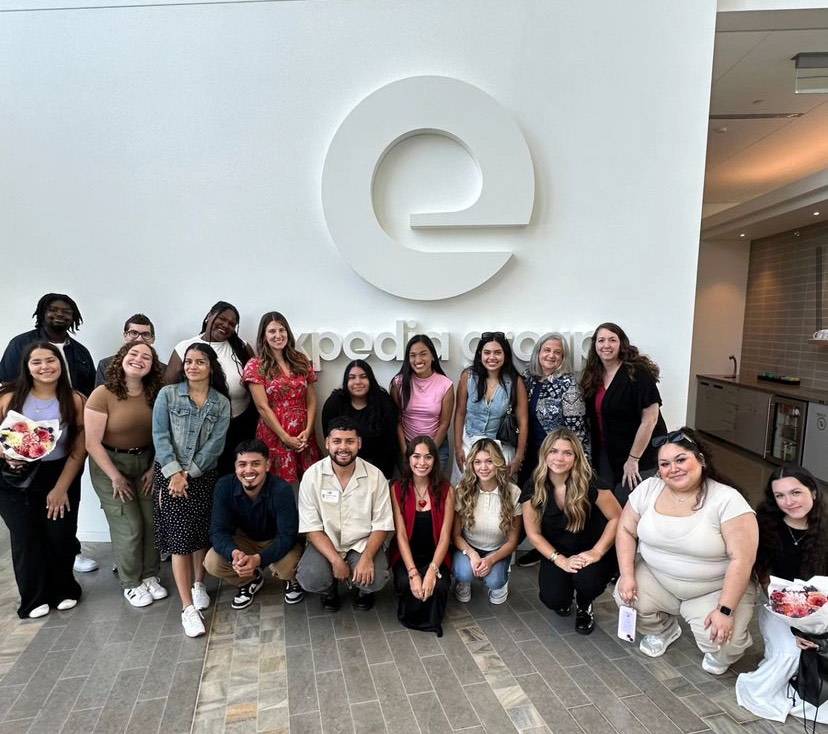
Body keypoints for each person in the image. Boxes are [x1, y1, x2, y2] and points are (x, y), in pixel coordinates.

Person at [614, 429, 758, 675]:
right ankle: (664, 630)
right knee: (625, 595)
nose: (673, 469)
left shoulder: (727, 500)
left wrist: (725, 610)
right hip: (658, 578)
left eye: (680, 460)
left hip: (713, 588)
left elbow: (742, 560)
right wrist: (627, 575)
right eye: (665, 464)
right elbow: (625, 529)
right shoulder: (648, 488)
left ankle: (720, 648)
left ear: (700, 459)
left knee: (723, 644)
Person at [0, 293, 97, 573]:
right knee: (27, 531)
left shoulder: (79, 352)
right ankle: (37, 583)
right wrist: (8, 451)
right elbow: (6, 385)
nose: (60, 315)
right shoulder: (20, 345)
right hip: (20, 456)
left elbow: (89, 394)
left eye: (67, 311)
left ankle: (70, 557)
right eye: (54, 309)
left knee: (63, 516)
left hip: (66, 448)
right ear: (42, 312)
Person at [735, 465, 828, 724]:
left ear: (813, 492)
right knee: (791, 654)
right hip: (779, 607)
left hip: (823, 609)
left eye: (796, 492)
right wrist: (799, 627)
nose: (789, 501)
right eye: (780, 495)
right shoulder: (765, 527)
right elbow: (765, 579)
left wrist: (820, 633)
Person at [0, 343, 86, 618]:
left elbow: (79, 449)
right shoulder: (8, 398)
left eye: (51, 360)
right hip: (12, 479)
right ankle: (33, 598)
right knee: (25, 536)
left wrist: (61, 488)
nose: (45, 367)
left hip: (59, 473)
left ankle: (64, 588)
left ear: (61, 363)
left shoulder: (74, 400)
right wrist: (6, 454)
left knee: (60, 534)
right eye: (36, 362)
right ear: (26, 367)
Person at [152, 342, 231, 637]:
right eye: (188, 361)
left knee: (200, 533)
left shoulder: (220, 402)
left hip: (202, 475)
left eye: (200, 361)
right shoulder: (168, 394)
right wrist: (175, 473)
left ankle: (199, 584)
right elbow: (160, 435)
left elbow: (216, 445)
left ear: (211, 367)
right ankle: (187, 608)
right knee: (179, 540)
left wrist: (190, 472)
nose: (192, 366)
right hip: (170, 476)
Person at [85, 341, 167, 607]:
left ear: (152, 366)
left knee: (151, 521)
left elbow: (163, 434)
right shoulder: (102, 394)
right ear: (121, 358)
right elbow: (92, 443)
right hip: (109, 465)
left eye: (146, 357)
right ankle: (130, 583)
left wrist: (154, 468)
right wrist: (115, 477)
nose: (139, 359)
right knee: (129, 526)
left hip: (146, 462)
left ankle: (150, 575)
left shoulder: (156, 393)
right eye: (133, 354)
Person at [521, 428, 621, 634]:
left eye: (567, 453)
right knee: (553, 599)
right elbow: (534, 534)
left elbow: (617, 517)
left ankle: (584, 604)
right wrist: (560, 560)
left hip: (591, 550)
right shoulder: (534, 486)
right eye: (554, 451)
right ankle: (565, 597)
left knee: (588, 582)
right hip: (557, 551)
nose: (559, 458)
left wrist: (597, 552)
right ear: (545, 453)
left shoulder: (590, 482)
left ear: (576, 457)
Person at [296, 417, 394, 612]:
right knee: (310, 577)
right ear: (327, 443)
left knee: (376, 578)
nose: (343, 447)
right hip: (326, 543)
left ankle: (363, 591)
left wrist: (367, 558)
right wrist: (336, 560)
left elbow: (382, 525)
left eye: (350, 441)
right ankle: (329, 591)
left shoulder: (376, 476)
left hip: (362, 544)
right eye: (337, 441)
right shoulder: (312, 476)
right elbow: (311, 528)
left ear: (359, 443)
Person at [517, 333, 590, 567]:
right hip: (531, 453)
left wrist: (579, 462)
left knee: (553, 503)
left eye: (557, 352)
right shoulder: (528, 380)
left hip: (556, 458)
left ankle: (554, 553)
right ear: (538, 352)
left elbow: (577, 430)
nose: (551, 355)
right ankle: (539, 547)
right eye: (547, 350)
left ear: (563, 357)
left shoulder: (568, 385)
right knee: (533, 500)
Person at [204, 439, 304, 610]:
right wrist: (234, 553)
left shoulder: (281, 489)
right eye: (242, 464)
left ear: (267, 465)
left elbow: (287, 536)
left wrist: (258, 559)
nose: (248, 470)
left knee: (287, 567)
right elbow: (218, 531)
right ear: (235, 467)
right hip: (245, 541)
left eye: (256, 464)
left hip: (276, 540)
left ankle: (291, 579)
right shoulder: (224, 486)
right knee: (212, 562)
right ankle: (249, 580)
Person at [164, 301, 255, 476]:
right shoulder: (186, 347)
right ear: (209, 316)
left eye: (232, 323)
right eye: (222, 319)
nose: (226, 325)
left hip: (239, 426)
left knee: (235, 475)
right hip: (200, 429)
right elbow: (169, 390)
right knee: (205, 474)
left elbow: (257, 379)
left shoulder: (242, 347)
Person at [580, 323, 667, 493]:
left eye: (612, 340)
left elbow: (650, 419)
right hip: (606, 453)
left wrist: (633, 459)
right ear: (595, 345)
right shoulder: (593, 375)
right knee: (605, 500)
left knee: (628, 500)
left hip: (639, 456)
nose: (606, 345)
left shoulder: (638, 372)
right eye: (601, 340)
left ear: (621, 344)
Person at [243, 312, 321, 485]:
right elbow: (262, 407)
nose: (278, 335)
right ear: (264, 336)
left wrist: (308, 430)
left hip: (303, 433)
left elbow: (311, 399)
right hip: (275, 433)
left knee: (310, 483)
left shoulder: (301, 360)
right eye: (272, 331)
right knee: (277, 486)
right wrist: (285, 437)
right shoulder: (255, 365)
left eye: (281, 330)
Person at [390, 436, 454, 637]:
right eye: (416, 456)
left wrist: (432, 571)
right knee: (405, 583)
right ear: (408, 459)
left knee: (439, 586)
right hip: (407, 555)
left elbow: (445, 537)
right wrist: (413, 573)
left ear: (435, 460)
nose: (422, 462)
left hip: (436, 555)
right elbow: (401, 535)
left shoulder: (446, 490)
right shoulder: (397, 489)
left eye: (428, 457)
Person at [452, 439, 522, 605]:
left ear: (498, 462)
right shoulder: (462, 490)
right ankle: (464, 580)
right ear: (472, 465)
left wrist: (491, 560)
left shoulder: (513, 492)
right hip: (469, 547)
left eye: (489, 461)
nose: (483, 467)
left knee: (495, 580)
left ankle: (501, 578)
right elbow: (455, 536)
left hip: (498, 549)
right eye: (477, 462)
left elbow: (512, 541)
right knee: (464, 572)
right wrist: (472, 554)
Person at [453, 331, 528, 479]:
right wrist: (457, 447)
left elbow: (523, 422)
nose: (492, 357)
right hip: (469, 445)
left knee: (498, 491)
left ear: (505, 355)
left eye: (497, 352)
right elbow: (460, 413)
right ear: (480, 354)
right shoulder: (468, 377)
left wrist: (519, 456)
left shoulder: (515, 382)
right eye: (487, 352)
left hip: (501, 449)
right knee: (466, 489)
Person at [321, 359, 399, 478]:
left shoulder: (383, 402)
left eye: (363, 377)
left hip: (378, 467)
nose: (358, 382)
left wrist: (383, 476)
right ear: (346, 381)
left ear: (370, 380)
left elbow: (390, 443)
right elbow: (329, 438)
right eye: (352, 377)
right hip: (343, 464)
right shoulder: (335, 403)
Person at [391, 335, 454, 473]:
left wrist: (430, 453)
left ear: (433, 356)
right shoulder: (398, 383)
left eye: (423, 354)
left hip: (436, 445)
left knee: (434, 486)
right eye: (413, 355)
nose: (418, 360)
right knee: (408, 486)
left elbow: (445, 424)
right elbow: (397, 421)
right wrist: (406, 451)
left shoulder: (445, 384)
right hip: (406, 445)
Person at [95, 314, 165, 387]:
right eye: (134, 333)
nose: (139, 339)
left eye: (145, 334)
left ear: (153, 339)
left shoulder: (164, 370)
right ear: (125, 336)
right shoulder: (105, 365)